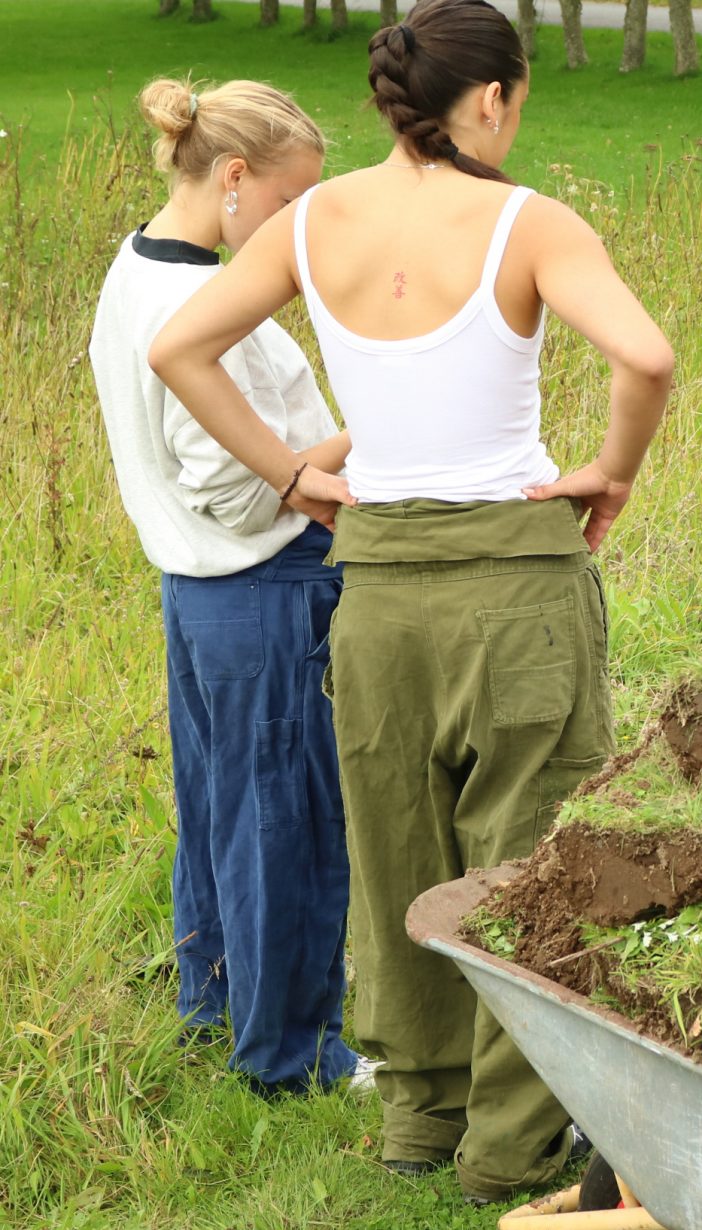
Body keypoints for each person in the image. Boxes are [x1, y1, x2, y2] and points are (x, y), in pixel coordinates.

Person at [150, 0, 674, 1204]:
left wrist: (292, 476)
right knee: (528, 867)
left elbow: (179, 349)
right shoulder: (529, 224)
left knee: (397, 858)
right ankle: (512, 1143)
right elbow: (644, 358)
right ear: (488, 100)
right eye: (519, 100)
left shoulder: (317, 220)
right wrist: (613, 468)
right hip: (515, 590)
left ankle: (418, 1121)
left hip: (375, 589)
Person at [89, 77, 362, 1097]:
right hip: (259, 586)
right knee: (283, 824)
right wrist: (370, 427)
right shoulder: (205, 308)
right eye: (292, 204)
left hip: (193, 590)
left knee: (218, 811)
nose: (300, 233)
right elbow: (249, 500)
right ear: (235, 179)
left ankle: (213, 1008)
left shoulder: (136, 265)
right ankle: (293, 1058)